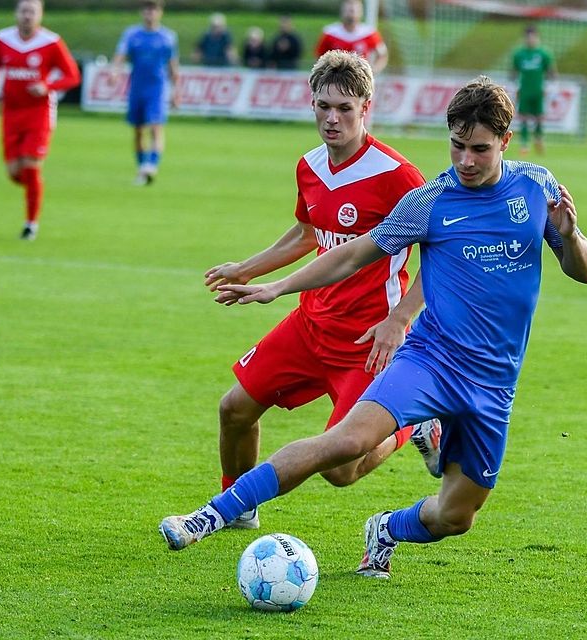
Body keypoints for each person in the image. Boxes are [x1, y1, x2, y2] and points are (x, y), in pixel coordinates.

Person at [159, 76, 587, 582]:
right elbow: (350, 255)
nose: (466, 161)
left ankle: (385, 529)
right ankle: (212, 515)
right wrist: (277, 288)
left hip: (495, 384)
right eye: (457, 146)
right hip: (431, 361)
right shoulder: (429, 201)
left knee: (455, 517)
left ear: (505, 140)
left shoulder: (537, 187)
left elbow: (582, 270)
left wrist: (570, 235)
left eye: (479, 149)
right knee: (344, 445)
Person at [182, 50, 434, 532]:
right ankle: (237, 506)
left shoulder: (399, 177)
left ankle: (409, 426)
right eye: (323, 106)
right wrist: (247, 268)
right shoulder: (310, 165)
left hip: (365, 340)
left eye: (344, 107)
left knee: (340, 470)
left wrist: (400, 318)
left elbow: (435, 256)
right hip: (310, 322)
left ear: (366, 106)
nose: (332, 118)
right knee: (234, 409)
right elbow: (305, 233)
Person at [0, 0, 80, 241]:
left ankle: (30, 224)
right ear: (16, 13)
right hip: (11, 113)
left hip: (39, 113)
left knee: (31, 165)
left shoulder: (51, 42)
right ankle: (35, 188)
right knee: (14, 173)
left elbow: (72, 76)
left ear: (40, 15)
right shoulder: (3, 40)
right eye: (23, 11)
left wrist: (47, 86)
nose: (27, 16)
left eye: (32, 12)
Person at [113, 0, 180, 186]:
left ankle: (152, 165)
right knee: (138, 131)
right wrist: (115, 71)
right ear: (142, 12)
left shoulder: (168, 37)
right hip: (136, 88)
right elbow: (120, 56)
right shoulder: (132, 34)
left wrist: (176, 92)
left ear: (160, 13)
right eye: (147, 10)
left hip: (157, 88)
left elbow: (173, 66)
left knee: (156, 127)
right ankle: (142, 169)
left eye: (154, 10)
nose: (150, 13)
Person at [511, 24, 556, 155]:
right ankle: (524, 144)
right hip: (524, 90)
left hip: (539, 90)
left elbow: (551, 72)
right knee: (523, 117)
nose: (530, 40)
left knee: (539, 117)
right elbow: (513, 73)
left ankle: (538, 139)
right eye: (527, 37)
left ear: (537, 37)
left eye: (532, 37)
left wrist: (549, 87)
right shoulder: (519, 54)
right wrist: (515, 87)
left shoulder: (544, 53)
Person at [315, 0, 388, 74]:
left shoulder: (369, 33)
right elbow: (319, 56)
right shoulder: (330, 33)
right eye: (349, 10)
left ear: (361, 12)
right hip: (337, 79)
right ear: (342, 11)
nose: (352, 14)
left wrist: (373, 70)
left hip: (360, 78)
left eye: (355, 10)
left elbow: (382, 55)